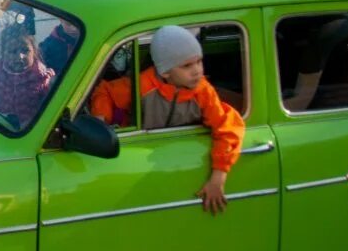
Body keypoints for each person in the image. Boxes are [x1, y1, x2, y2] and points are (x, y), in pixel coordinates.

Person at [89, 25, 245, 214]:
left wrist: (218, 177)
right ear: (165, 72)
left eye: (199, 62)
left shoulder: (203, 91)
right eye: (187, 66)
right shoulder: (143, 85)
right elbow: (104, 90)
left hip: (178, 156)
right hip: (144, 151)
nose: (197, 71)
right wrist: (101, 119)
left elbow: (228, 127)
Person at [0, 23, 55, 130]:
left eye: (25, 50)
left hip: (29, 129)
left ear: (34, 51)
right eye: (12, 51)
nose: (20, 56)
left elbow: (50, 109)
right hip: (1, 123)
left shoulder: (43, 78)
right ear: (4, 54)